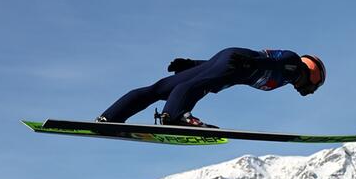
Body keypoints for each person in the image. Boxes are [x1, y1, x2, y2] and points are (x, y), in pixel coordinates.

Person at [96, 47, 326, 128]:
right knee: (197, 85)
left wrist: (193, 64)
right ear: (313, 73)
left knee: (160, 88)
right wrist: (251, 63)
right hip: (236, 62)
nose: (306, 90)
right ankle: (175, 116)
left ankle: (110, 118)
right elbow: (273, 61)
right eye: (313, 86)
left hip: (229, 61)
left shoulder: (288, 75)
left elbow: (218, 66)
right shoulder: (294, 64)